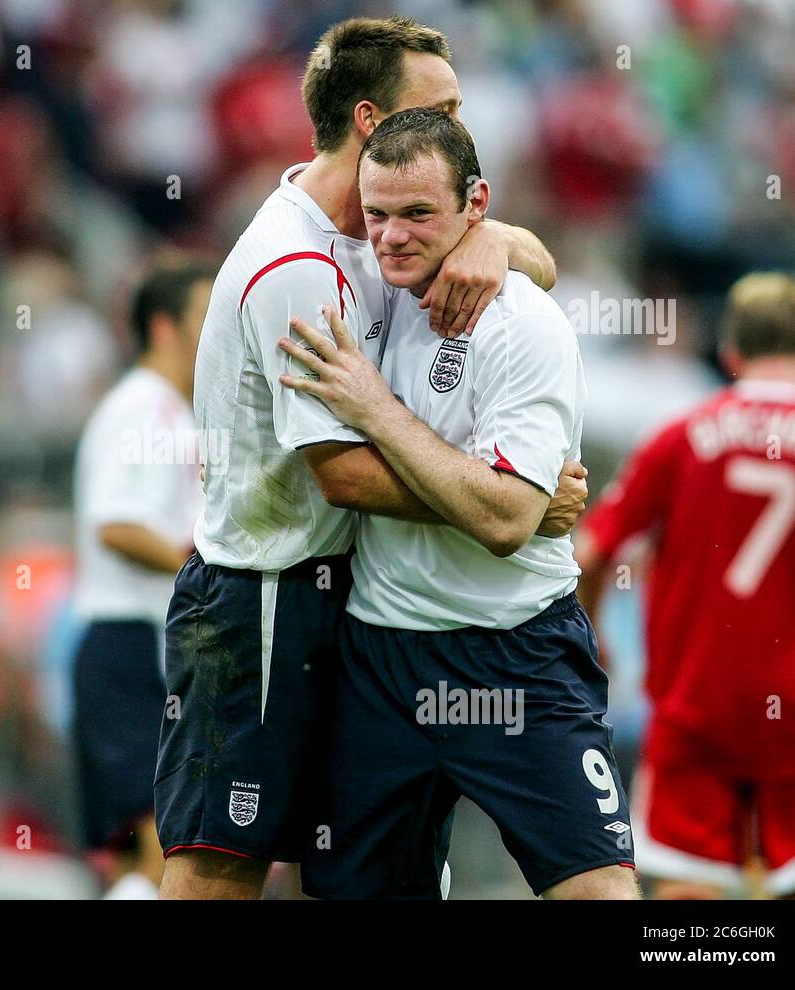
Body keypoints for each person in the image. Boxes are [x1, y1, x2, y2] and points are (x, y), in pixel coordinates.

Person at [155, 16, 586, 900]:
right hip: (262, 592)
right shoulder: (299, 263)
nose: (460, 126)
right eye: (444, 106)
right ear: (367, 119)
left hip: (341, 597)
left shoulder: (380, 224)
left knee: (359, 869)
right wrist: (513, 501)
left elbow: (538, 260)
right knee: (222, 857)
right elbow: (341, 473)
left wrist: (492, 239)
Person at [280, 108, 638, 900]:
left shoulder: (525, 325)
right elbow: (351, 480)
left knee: (599, 892)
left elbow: (508, 522)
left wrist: (378, 410)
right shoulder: (352, 293)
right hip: (380, 659)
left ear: (475, 203)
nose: (393, 236)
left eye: (418, 214)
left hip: (518, 655)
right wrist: (497, 496)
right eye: (378, 215)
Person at [577, 273, 795, 899]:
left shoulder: (679, 435)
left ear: (732, 353)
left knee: (690, 888)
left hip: (695, 703)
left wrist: (594, 633)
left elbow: (593, 550)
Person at [71, 258, 214, 899]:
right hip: (128, 643)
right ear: (164, 326)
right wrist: (206, 566)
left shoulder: (174, 413)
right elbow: (118, 525)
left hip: (148, 646)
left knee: (148, 852)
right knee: (160, 840)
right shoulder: (140, 410)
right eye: (205, 316)